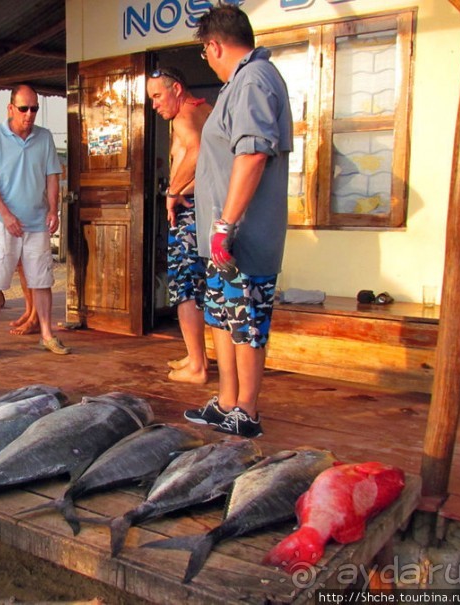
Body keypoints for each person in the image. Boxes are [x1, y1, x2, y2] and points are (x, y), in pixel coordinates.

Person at [183, 6, 293, 437]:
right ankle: (227, 401)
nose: (206, 59)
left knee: (245, 324)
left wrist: (227, 223)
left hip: (242, 236)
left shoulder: (253, 80)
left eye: (205, 52)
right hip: (221, 237)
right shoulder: (238, 83)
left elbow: (253, 153)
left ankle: (246, 411)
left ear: (213, 45)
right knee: (223, 318)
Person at [0, 84, 68, 359]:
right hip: (3, 221)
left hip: (37, 221)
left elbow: (53, 176)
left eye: (34, 109)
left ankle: (47, 335)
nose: (29, 114)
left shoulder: (45, 137)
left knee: (42, 279)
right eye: (24, 108)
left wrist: (54, 209)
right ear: (11, 108)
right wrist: (5, 214)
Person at [146, 66, 212, 385]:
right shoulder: (203, 110)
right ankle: (194, 354)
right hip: (204, 208)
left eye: (158, 96)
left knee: (186, 287)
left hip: (190, 213)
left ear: (176, 89)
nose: (155, 105)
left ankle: (197, 366)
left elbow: (198, 150)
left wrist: (173, 192)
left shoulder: (185, 115)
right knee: (197, 285)